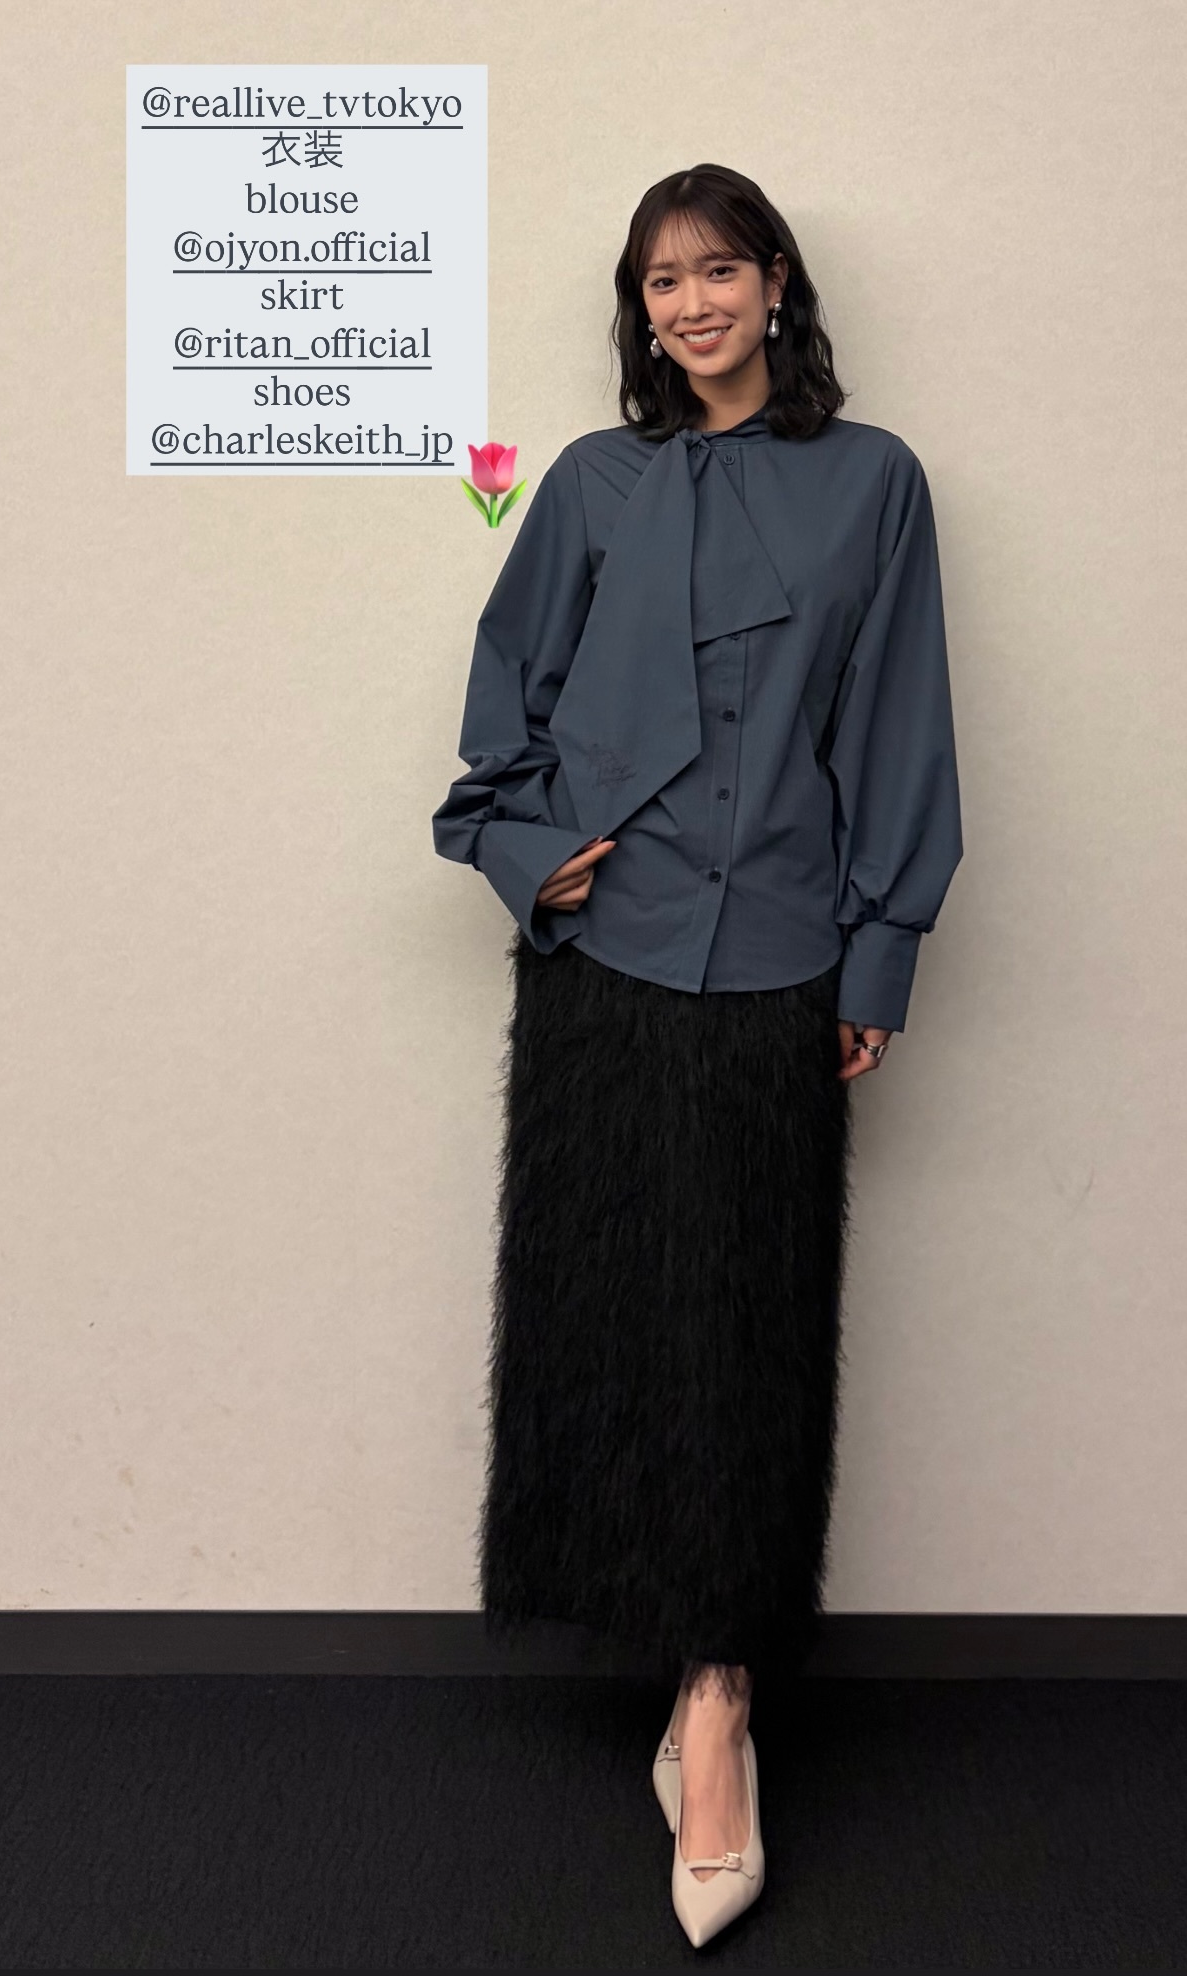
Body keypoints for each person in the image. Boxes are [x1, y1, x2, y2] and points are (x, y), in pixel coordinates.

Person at [431, 162, 963, 1948]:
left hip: (779, 951)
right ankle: (660, 1652)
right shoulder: (592, 481)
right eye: (658, 281)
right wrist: (532, 855)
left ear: (774, 282)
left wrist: (879, 947)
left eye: (716, 267)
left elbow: (898, 720)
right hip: (606, 955)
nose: (688, 304)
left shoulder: (873, 481)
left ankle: (719, 1711)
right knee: (604, 1312)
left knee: (747, 1330)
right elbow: (502, 705)